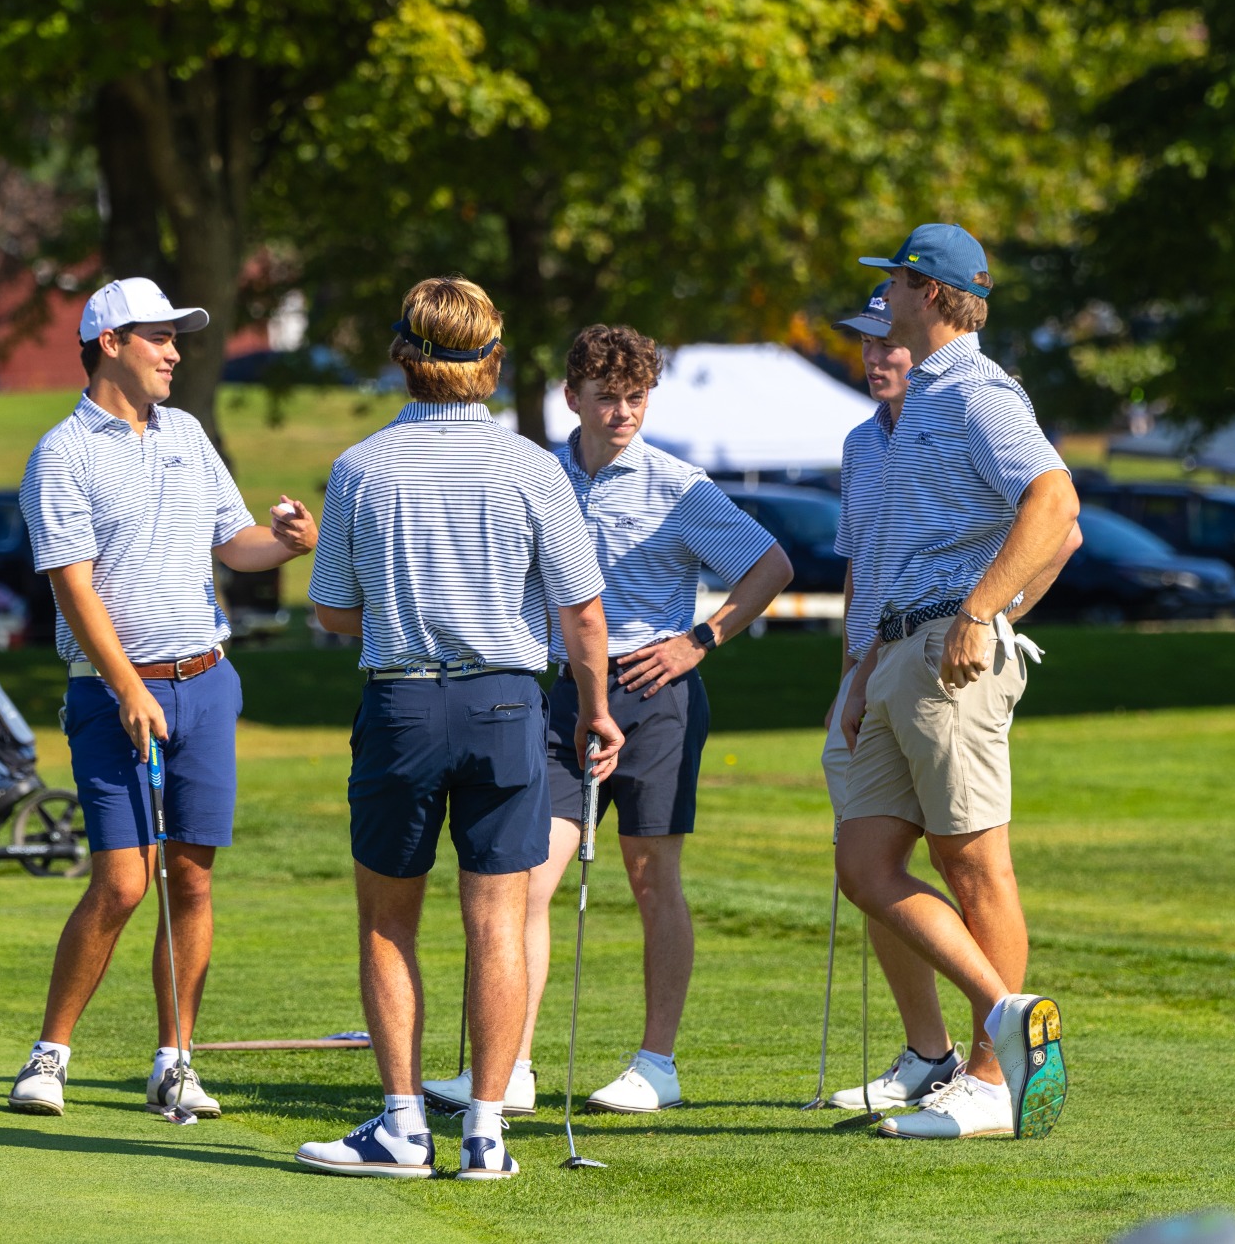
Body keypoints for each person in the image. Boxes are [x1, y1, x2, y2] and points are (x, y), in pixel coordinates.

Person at [295, 276, 623, 1182]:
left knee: (388, 920)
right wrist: (596, 709)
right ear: (494, 356)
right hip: (508, 706)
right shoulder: (533, 468)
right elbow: (583, 614)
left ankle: (404, 1124)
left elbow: (332, 611)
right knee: (499, 922)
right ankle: (485, 1131)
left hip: (402, 705)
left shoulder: (361, 467)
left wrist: (407, 608)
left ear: (405, 355)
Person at [422, 324, 794, 1117]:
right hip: (560, 696)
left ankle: (656, 1063)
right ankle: (509, 1067)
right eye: (607, 397)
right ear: (572, 398)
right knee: (527, 883)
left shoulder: (678, 484)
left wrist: (700, 641)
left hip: (656, 693)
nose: (623, 412)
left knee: (652, 877)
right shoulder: (537, 472)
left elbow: (771, 566)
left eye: (636, 397)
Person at [8, 277, 318, 1118]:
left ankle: (174, 1061)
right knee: (122, 883)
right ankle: (49, 1053)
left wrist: (287, 543)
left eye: (178, 337)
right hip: (115, 696)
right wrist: (124, 687)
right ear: (110, 343)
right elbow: (73, 589)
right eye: (159, 337)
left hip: (205, 683)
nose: (176, 351)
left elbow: (236, 542)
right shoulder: (62, 452)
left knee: (192, 880)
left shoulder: (186, 433)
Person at [831, 225, 1081, 1140]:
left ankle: (990, 1075)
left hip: (950, 649)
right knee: (864, 864)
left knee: (973, 862)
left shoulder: (978, 390)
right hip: (898, 652)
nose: (883, 299)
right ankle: (1008, 1016)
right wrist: (861, 670)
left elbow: (1055, 502)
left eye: (893, 281)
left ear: (928, 292)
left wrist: (983, 613)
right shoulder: (923, 400)